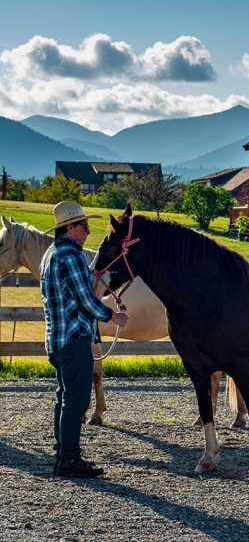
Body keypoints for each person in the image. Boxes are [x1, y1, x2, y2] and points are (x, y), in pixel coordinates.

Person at [40, 201, 128, 478]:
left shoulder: (50, 254)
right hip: (74, 338)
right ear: (70, 227)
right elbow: (85, 299)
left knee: (64, 397)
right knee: (76, 400)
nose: (88, 232)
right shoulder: (71, 256)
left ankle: (62, 451)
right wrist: (112, 316)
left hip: (56, 338)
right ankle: (69, 459)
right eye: (84, 226)